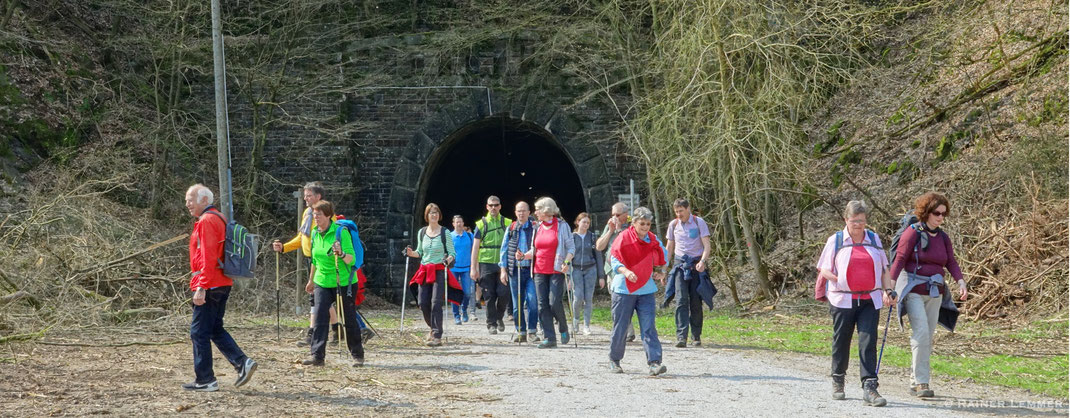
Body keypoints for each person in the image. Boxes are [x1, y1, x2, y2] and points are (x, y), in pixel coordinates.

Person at [888, 192, 968, 398]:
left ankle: (914, 380)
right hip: (913, 291)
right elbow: (899, 260)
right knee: (921, 332)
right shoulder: (912, 233)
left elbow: (950, 261)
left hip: (935, 292)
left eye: (943, 213)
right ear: (926, 212)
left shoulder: (943, 237)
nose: (941, 217)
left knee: (928, 336)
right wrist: (890, 287)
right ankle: (923, 382)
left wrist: (960, 281)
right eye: (936, 213)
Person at [816, 200, 891, 407]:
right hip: (843, 299)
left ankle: (870, 387)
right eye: (854, 221)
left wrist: (888, 289)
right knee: (842, 339)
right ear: (845, 220)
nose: (858, 225)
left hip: (869, 299)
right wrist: (837, 278)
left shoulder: (874, 239)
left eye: (862, 221)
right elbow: (823, 269)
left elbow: (885, 269)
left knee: (868, 341)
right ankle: (838, 379)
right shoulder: (836, 240)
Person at [183, 184, 256, 391]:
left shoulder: (207, 221)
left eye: (191, 199)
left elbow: (208, 256)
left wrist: (201, 286)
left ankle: (205, 379)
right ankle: (242, 362)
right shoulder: (219, 218)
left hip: (210, 284)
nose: (187, 204)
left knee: (198, 332)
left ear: (204, 200)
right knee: (214, 328)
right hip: (222, 282)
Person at [271, 182, 343, 346]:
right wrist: (284, 248)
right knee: (319, 298)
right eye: (305, 195)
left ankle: (315, 334)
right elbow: (302, 238)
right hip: (310, 259)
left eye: (309, 195)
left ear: (318, 197)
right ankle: (337, 331)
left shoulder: (326, 215)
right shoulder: (307, 213)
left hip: (322, 261)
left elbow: (328, 238)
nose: (305, 198)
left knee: (318, 298)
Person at [301, 200, 365, 367]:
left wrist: (341, 253)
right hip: (322, 281)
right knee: (320, 317)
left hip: (343, 282)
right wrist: (311, 280)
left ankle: (357, 354)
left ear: (328, 215)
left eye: (319, 215)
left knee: (349, 319)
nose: (316, 218)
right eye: (314, 215)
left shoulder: (340, 232)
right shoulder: (314, 233)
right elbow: (315, 260)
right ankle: (317, 356)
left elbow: (352, 260)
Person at [607, 207, 668, 375]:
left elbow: (664, 255)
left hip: (646, 290)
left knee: (648, 327)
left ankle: (654, 363)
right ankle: (615, 360)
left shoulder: (653, 240)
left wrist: (661, 271)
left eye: (648, 224)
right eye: (642, 223)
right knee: (620, 327)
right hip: (623, 289)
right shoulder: (623, 238)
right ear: (633, 223)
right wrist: (626, 271)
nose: (646, 227)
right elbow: (614, 259)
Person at [406, 203, 463, 347]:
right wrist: (410, 253)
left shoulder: (445, 233)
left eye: (436, 212)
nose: (434, 215)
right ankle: (432, 328)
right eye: (431, 213)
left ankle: (437, 335)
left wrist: (448, 259)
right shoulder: (422, 232)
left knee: (436, 302)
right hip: (425, 270)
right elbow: (419, 252)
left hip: (439, 269)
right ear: (427, 215)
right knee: (423, 302)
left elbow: (452, 253)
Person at [521, 197, 575, 349]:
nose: (535, 212)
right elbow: (535, 249)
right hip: (539, 270)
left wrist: (567, 262)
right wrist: (524, 255)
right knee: (541, 304)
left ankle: (563, 326)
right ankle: (549, 337)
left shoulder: (562, 226)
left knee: (554, 302)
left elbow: (571, 248)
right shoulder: (537, 227)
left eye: (538, 209)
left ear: (546, 210)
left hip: (557, 269)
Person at [663, 199, 712, 348]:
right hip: (679, 266)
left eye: (681, 211)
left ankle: (696, 336)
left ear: (688, 209)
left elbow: (707, 245)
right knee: (681, 300)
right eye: (676, 212)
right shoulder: (673, 225)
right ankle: (681, 336)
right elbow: (669, 248)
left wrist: (702, 261)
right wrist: (664, 269)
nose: (679, 214)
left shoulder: (699, 222)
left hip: (696, 265)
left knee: (696, 302)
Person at [471, 196, 513, 335]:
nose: (493, 208)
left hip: (503, 264)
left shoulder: (508, 223)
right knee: (489, 296)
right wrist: (473, 268)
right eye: (491, 205)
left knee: (504, 294)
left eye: (496, 205)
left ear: (500, 206)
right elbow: (475, 247)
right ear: (487, 207)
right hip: (486, 263)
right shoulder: (481, 224)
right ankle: (491, 324)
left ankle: (499, 317)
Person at [499, 201, 540, 343]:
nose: (521, 213)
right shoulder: (511, 228)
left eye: (523, 211)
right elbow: (503, 250)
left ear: (529, 212)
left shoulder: (535, 228)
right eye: (518, 211)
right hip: (514, 270)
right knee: (517, 305)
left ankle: (532, 331)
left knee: (533, 301)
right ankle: (520, 331)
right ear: (515, 213)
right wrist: (503, 270)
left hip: (531, 271)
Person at [596, 202, 635, 341]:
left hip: (627, 270)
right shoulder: (610, 226)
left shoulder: (633, 225)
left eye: (617, 215)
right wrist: (610, 231)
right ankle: (624, 331)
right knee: (616, 301)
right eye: (613, 215)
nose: (614, 217)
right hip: (611, 270)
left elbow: (627, 246)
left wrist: (619, 230)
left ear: (626, 214)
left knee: (625, 301)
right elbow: (599, 246)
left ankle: (626, 331)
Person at [570, 212, 605, 336]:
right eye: (583, 222)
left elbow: (598, 257)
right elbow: (568, 256)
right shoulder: (572, 237)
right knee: (578, 296)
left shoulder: (593, 237)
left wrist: (601, 276)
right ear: (577, 222)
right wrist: (568, 277)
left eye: (588, 223)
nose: (585, 224)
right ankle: (575, 321)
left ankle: (586, 325)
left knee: (588, 298)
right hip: (575, 269)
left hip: (590, 269)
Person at [450, 215, 475, 324]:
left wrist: (475, 266)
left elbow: (475, 251)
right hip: (453, 268)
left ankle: (464, 310)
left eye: (460, 222)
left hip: (466, 268)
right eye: (457, 222)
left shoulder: (470, 236)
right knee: (454, 293)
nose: (459, 224)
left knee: (467, 292)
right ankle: (456, 315)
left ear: (463, 223)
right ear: (453, 224)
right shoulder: (449, 237)